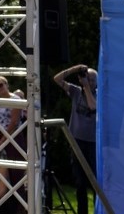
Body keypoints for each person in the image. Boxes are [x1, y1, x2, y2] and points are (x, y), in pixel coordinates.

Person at [53, 64, 97, 214]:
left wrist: (87, 87)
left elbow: (93, 107)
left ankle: (99, 210)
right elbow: (57, 79)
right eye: (87, 78)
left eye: (92, 80)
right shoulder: (76, 92)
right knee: (80, 183)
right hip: (76, 142)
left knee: (95, 182)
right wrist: (75, 69)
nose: (89, 82)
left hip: (92, 143)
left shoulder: (98, 95)